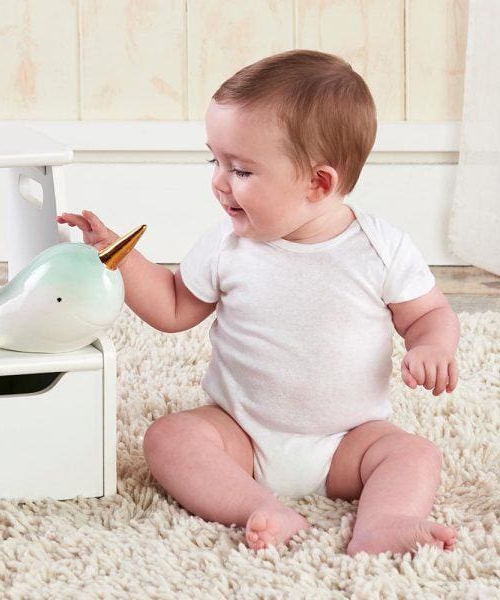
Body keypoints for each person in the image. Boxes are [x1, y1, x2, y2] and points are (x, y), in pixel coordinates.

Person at [57, 50, 459, 557]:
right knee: (169, 438)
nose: (219, 182)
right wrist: (120, 255)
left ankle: (387, 522)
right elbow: (174, 306)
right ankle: (257, 506)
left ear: (318, 183)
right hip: (241, 434)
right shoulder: (228, 244)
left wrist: (432, 346)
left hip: (348, 440)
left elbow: (429, 314)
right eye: (215, 161)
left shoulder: (380, 249)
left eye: (242, 170)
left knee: (414, 454)